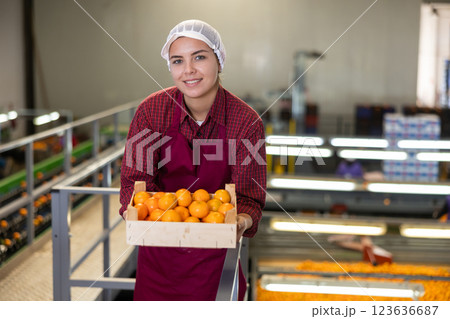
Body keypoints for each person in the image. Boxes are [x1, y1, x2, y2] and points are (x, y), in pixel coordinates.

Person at [119, 19, 266, 301]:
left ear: (219, 60)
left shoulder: (245, 121)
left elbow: (249, 198)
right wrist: (132, 213)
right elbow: (133, 185)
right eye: (177, 61)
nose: (188, 70)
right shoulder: (151, 112)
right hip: (158, 261)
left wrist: (241, 222)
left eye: (199, 57)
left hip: (217, 262)